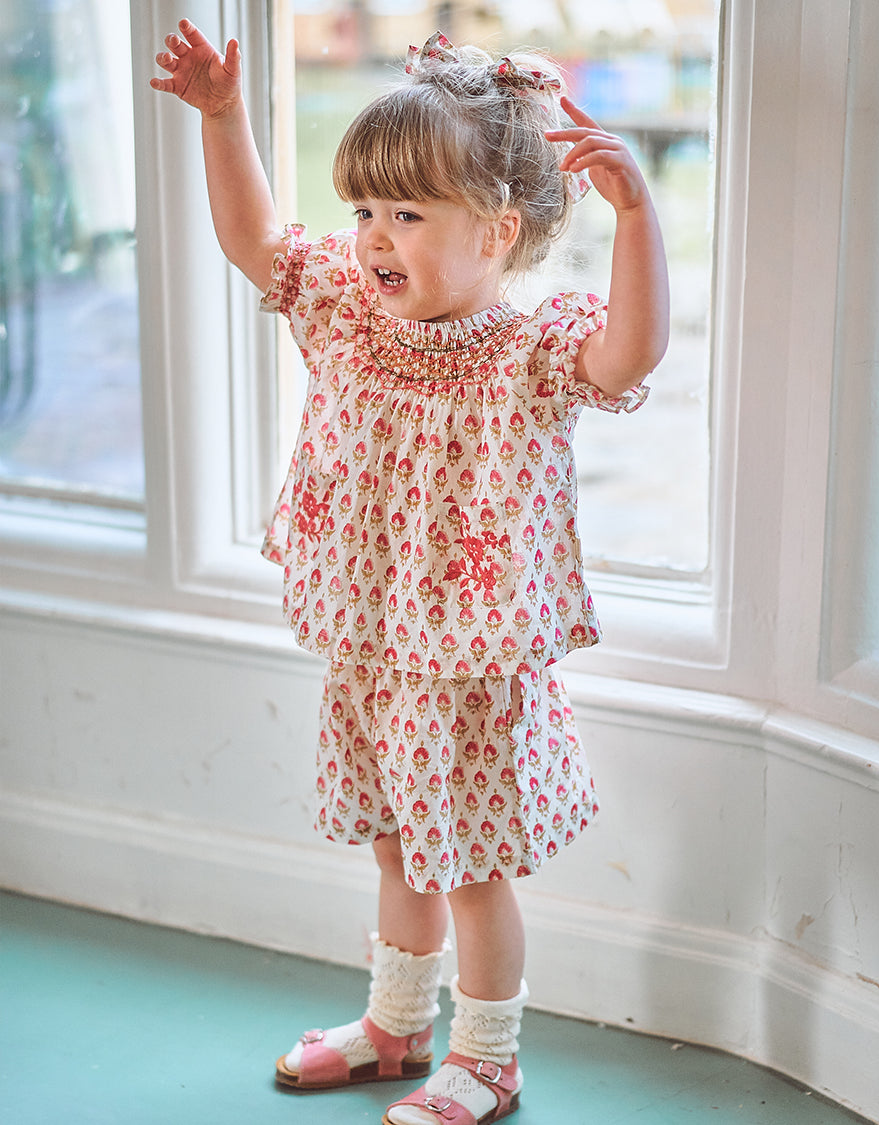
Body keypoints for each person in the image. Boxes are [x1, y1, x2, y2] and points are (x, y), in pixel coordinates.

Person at [151, 17, 668, 1125]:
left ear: (497, 231)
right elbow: (254, 240)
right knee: (396, 844)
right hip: (374, 645)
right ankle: (396, 1025)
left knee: (468, 864)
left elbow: (630, 354)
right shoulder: (346, 312)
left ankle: (487, 1056)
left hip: (471, 664)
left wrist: (636, 218)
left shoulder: (531, 354)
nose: (375, 238)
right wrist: (225, 118)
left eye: (408, 215)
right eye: (365, 211)